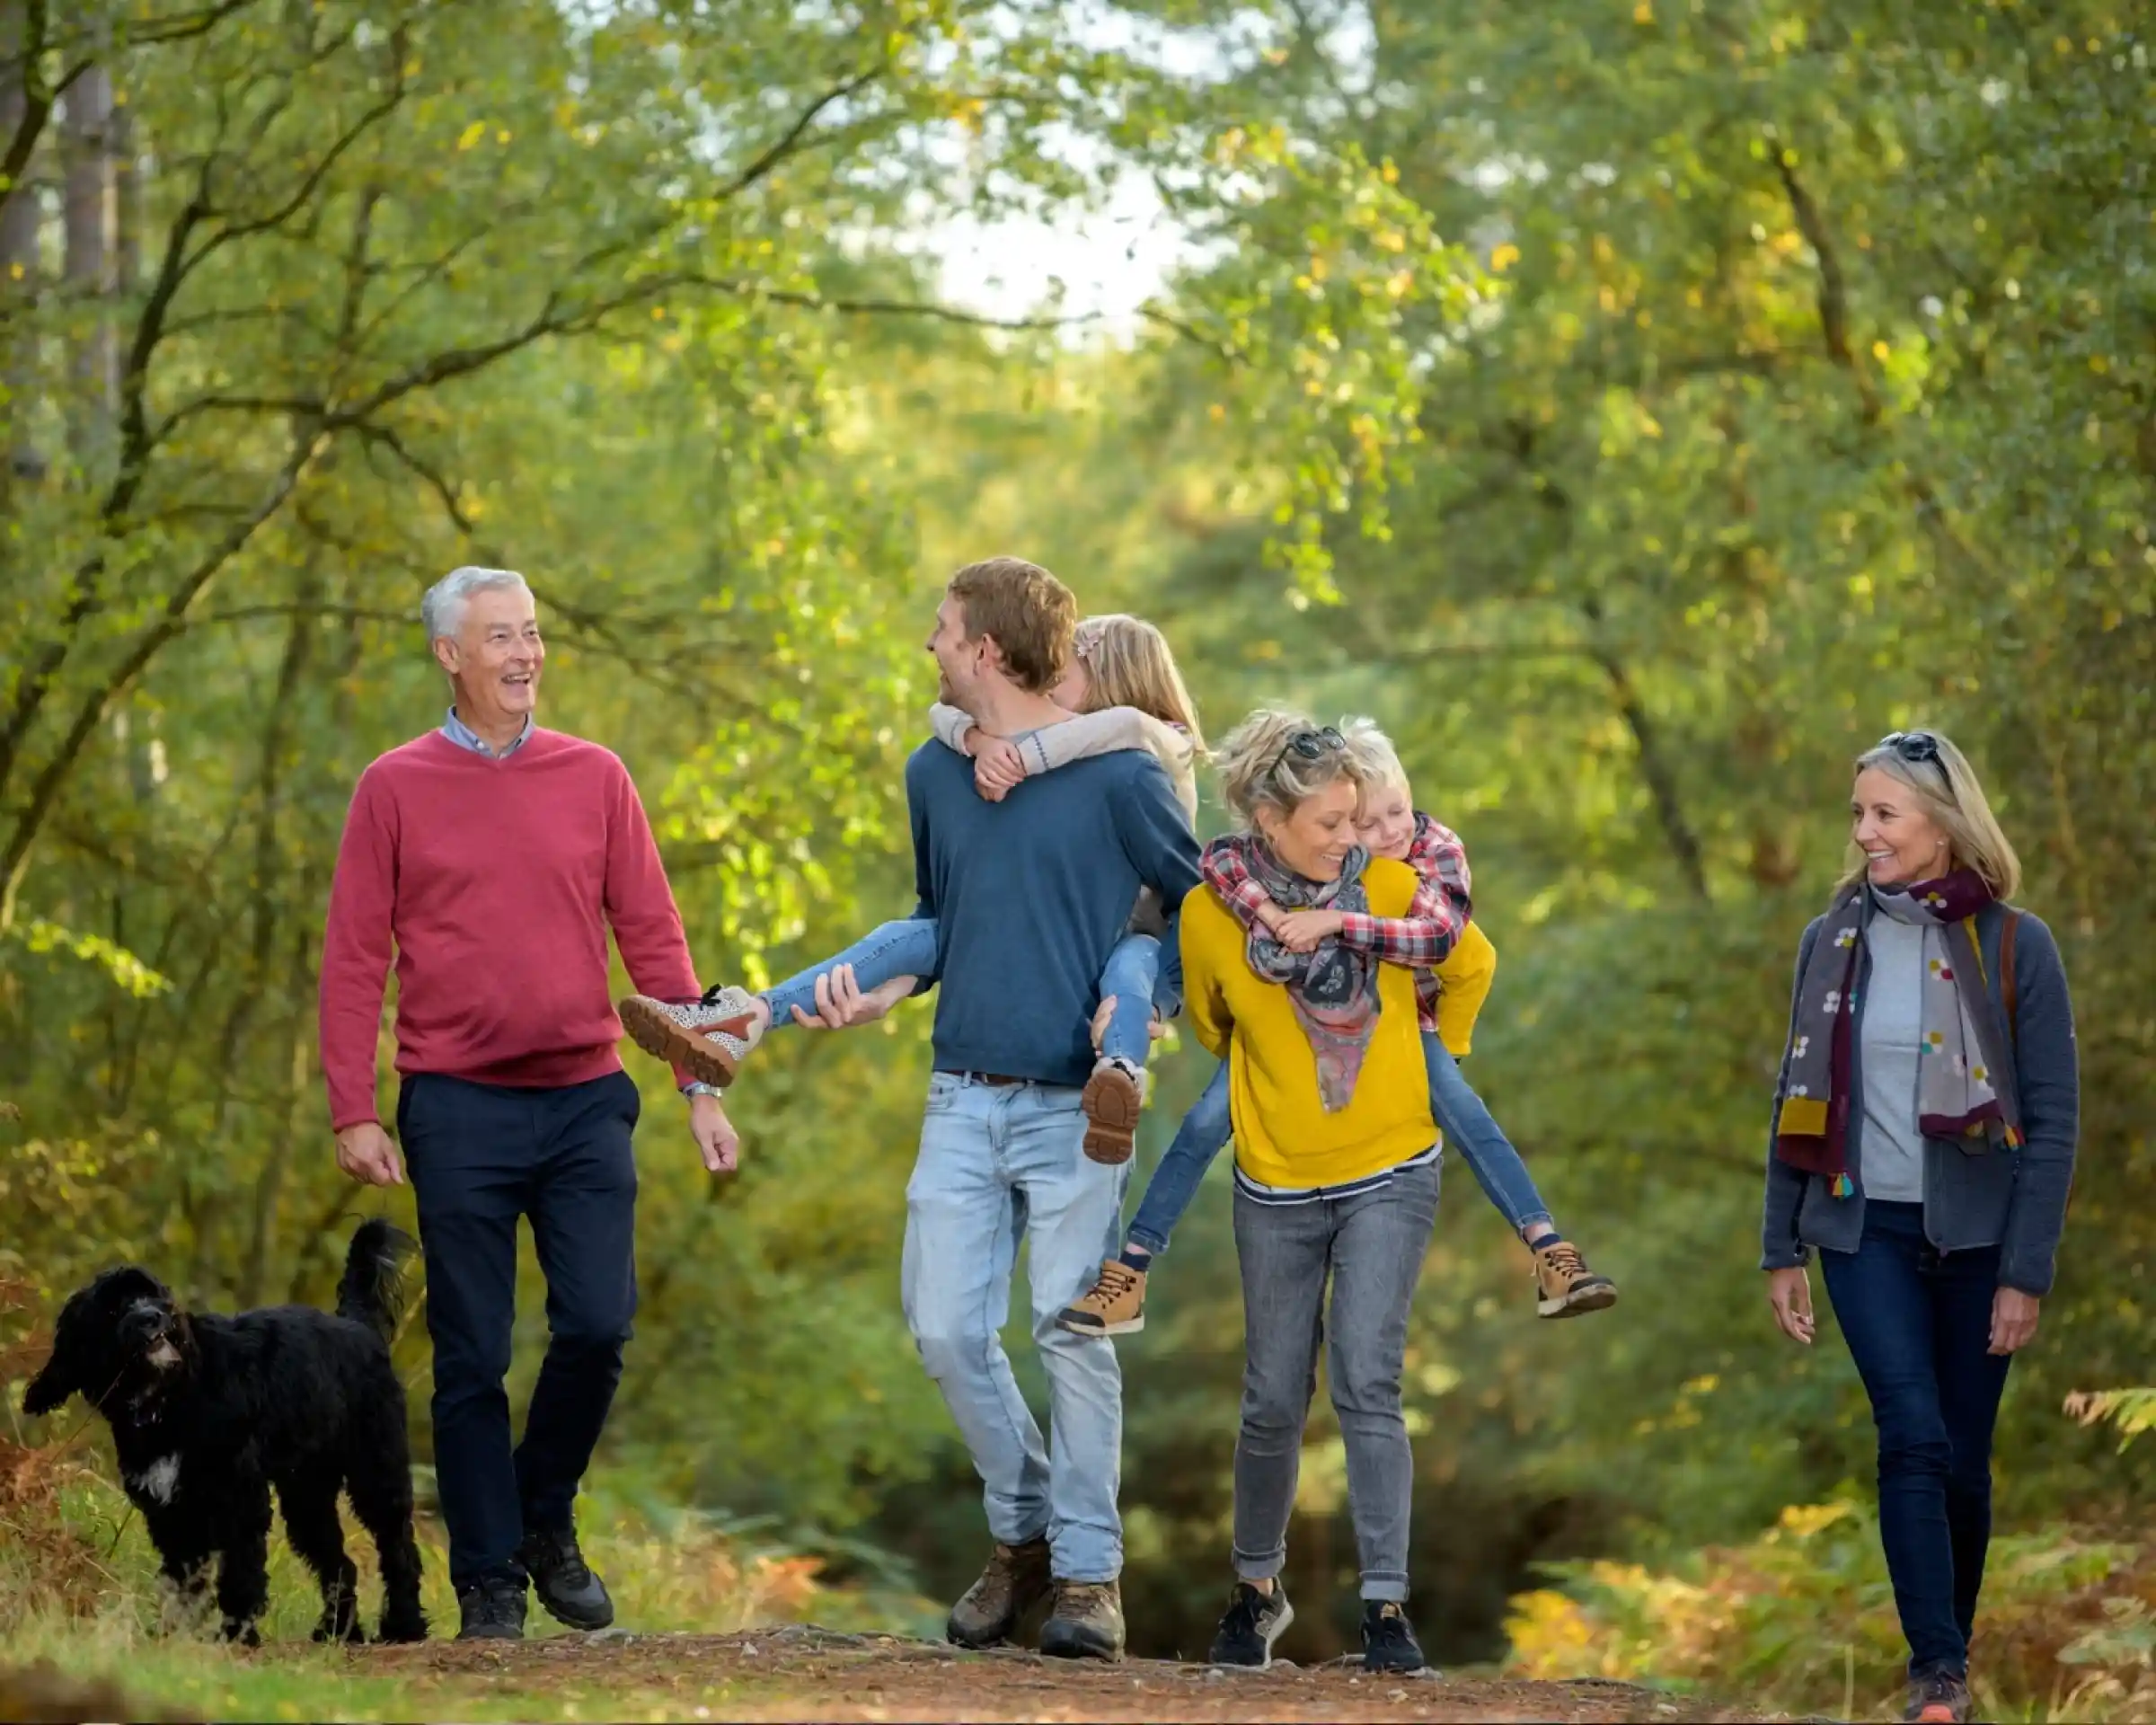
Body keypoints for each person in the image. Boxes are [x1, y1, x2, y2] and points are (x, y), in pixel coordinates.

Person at [720, 557, 1200, 1660]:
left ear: (986, 647)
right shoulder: (930, 774)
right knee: (943, 1329)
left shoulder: (1123, 776)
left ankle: (1087, 1579)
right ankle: (1024, 1526)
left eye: (942, 628)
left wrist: (1150, 1005)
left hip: (1079, 1105)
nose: (929, 644)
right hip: (960, 1092)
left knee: (1072, 1334)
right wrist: (883, 988)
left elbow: (1194, 909)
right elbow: (941, 915)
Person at [318, 566, 739, 1642]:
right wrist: (351, 1108)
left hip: (585, 1098)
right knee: (469, 1355)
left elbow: (655, 941)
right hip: (455, 1106)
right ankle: (490, 1583)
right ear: (450, 656)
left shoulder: (594, 776)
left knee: (598, 1325)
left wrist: (699, 1084)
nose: (526, 654)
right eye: (501, 637)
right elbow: (355, 954)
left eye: (535, 634)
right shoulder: (392, 786)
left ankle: (542, 1520)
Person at [1057, 716, 1614, 1339]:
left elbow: (1452, 948)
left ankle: (1547, 1247)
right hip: (1283, 1046)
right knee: (1202, 1126)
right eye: (1356, 822)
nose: (1373, 836)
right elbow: (1218, 867)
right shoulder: (1282, 863)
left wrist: (1444, 1044)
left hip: (1406, 1029)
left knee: (1465, 1112)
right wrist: (1267, 922)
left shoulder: (1426, 858)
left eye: (1386, 816)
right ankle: (1132, 1268)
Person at [615, 614, 1202, 1172]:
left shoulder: (1143, 743)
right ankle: (744, 1017)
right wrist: (972, 734)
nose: (1044, 690)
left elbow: (1193, 896)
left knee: (1130, 979)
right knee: (914, 935)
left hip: (1125, 936)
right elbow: (942, 717)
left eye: (1061, 675)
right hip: (1028, 939)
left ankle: (1119, 1077)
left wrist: (1163, 999)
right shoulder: (1066, 755)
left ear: (1110, 681)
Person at [1761, 729, 2077, 1725]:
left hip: (1981, 1241)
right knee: (1910, 1436)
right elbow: (1793, 1095)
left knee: (1964, 1459)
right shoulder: (1831, 942)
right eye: (1858, 813)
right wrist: (1782, 1245)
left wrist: (2027, 1271)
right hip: (1863, 1232)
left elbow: (2055, 1120)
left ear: (1943, 825)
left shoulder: (2018, 945)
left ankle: (1954, 1649)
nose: (1863, 834)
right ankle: (1935, 1676)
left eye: (1883, 814)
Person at [1180, 709, 1448, 1675]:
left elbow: (1466, 962)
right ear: (1265, 813)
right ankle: (1255, 1593)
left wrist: (1427, 1062)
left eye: (1353, 816)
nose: (1353, 835)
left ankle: (1386, 1610)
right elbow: (1216, 1024)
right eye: (1329, 822)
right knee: (1269, 1396)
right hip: (1279, 1180)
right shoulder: (1209, 913)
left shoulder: (1390, 886)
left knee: (1368, 1381)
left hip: (1391, 1168)